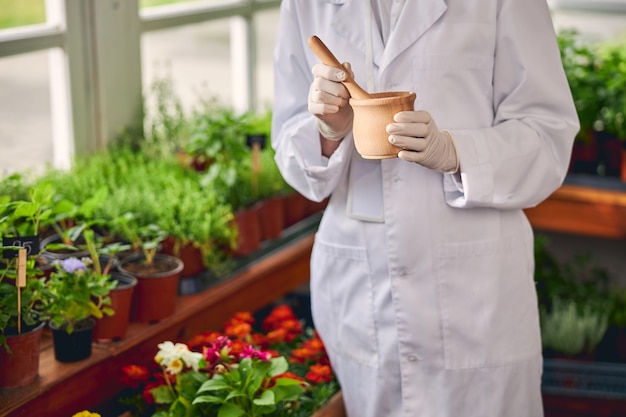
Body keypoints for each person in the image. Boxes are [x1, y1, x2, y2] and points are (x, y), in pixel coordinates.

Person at [270, 1, 579, 416]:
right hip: (361, 279)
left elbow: (547, 135)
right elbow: (290, 148)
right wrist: (327, 131)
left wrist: (456, 151)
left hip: (474, 287)